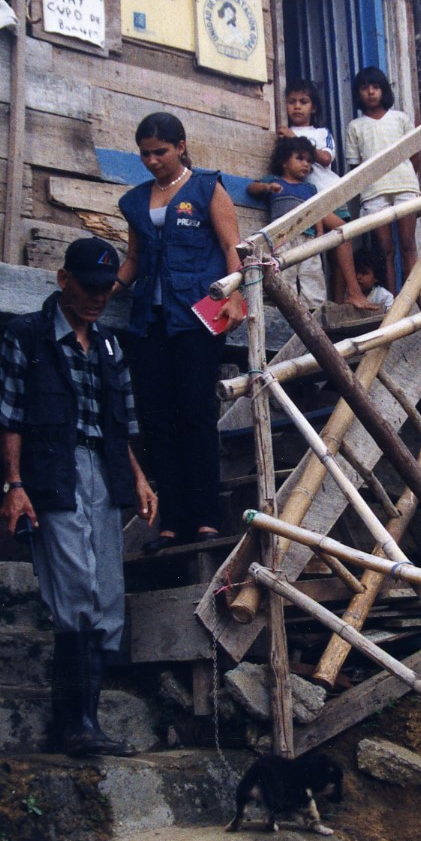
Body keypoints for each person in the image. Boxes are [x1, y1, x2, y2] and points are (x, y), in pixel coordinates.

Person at [0, 235, 158, 757]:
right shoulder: (28, 334)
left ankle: (86, 720)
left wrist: (138, 478)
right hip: (53, 473)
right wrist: (14, 485)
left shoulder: (110, 346)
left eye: (106, 289)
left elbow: (121, 424)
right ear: (64, 279)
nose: (97, 298)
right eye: (88, 287)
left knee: (107, 594)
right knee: (76, 590)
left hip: (104, 473)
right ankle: (74, 725)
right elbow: (10, 415)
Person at [113, 112, 245, 553]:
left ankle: (206, 517)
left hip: (196, 318)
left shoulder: (207, 188)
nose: (152, 161)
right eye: (145, 154)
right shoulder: (136, 201)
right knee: (157, 419)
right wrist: (104, 292)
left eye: (160, 152)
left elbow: (232, 247)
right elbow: (134, 261)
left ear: (181, 147)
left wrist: (234, 296)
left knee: (196, 413)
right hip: (149, 321)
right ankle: (172, 522)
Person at [247, 136, 370, 310]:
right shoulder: (274, 181)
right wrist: (267, 187)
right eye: (300, 158)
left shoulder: (309, 188)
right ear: (284, 161)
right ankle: (285, 307)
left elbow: (315, 212)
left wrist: (319, 232)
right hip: (283, 239)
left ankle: (314, 309)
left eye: (309, 161)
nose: (305, 164)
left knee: (312, 273)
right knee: (285, 273)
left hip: (308, 237)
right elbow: (251, 188)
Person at [346, 67, 421, 290]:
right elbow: (355, 167)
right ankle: (393, 300)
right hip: (374, 192)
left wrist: (406, 176)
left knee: (408, 244)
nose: (370, 92)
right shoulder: (355, 127)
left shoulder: (400, 119)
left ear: (384, 90)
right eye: (365, 88)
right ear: (358, 93)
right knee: (385, 249)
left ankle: (414, 296)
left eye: (376, 87)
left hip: (404, 186)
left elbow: (415, 154)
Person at [279, 79, 341, 195]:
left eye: (303, 102)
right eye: (291, 102)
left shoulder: (322, 133)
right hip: (304, 196)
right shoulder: (284, 133)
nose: (297, 106)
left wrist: (295, 139)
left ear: (313, 108)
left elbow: (326, 159)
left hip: (330, 191)